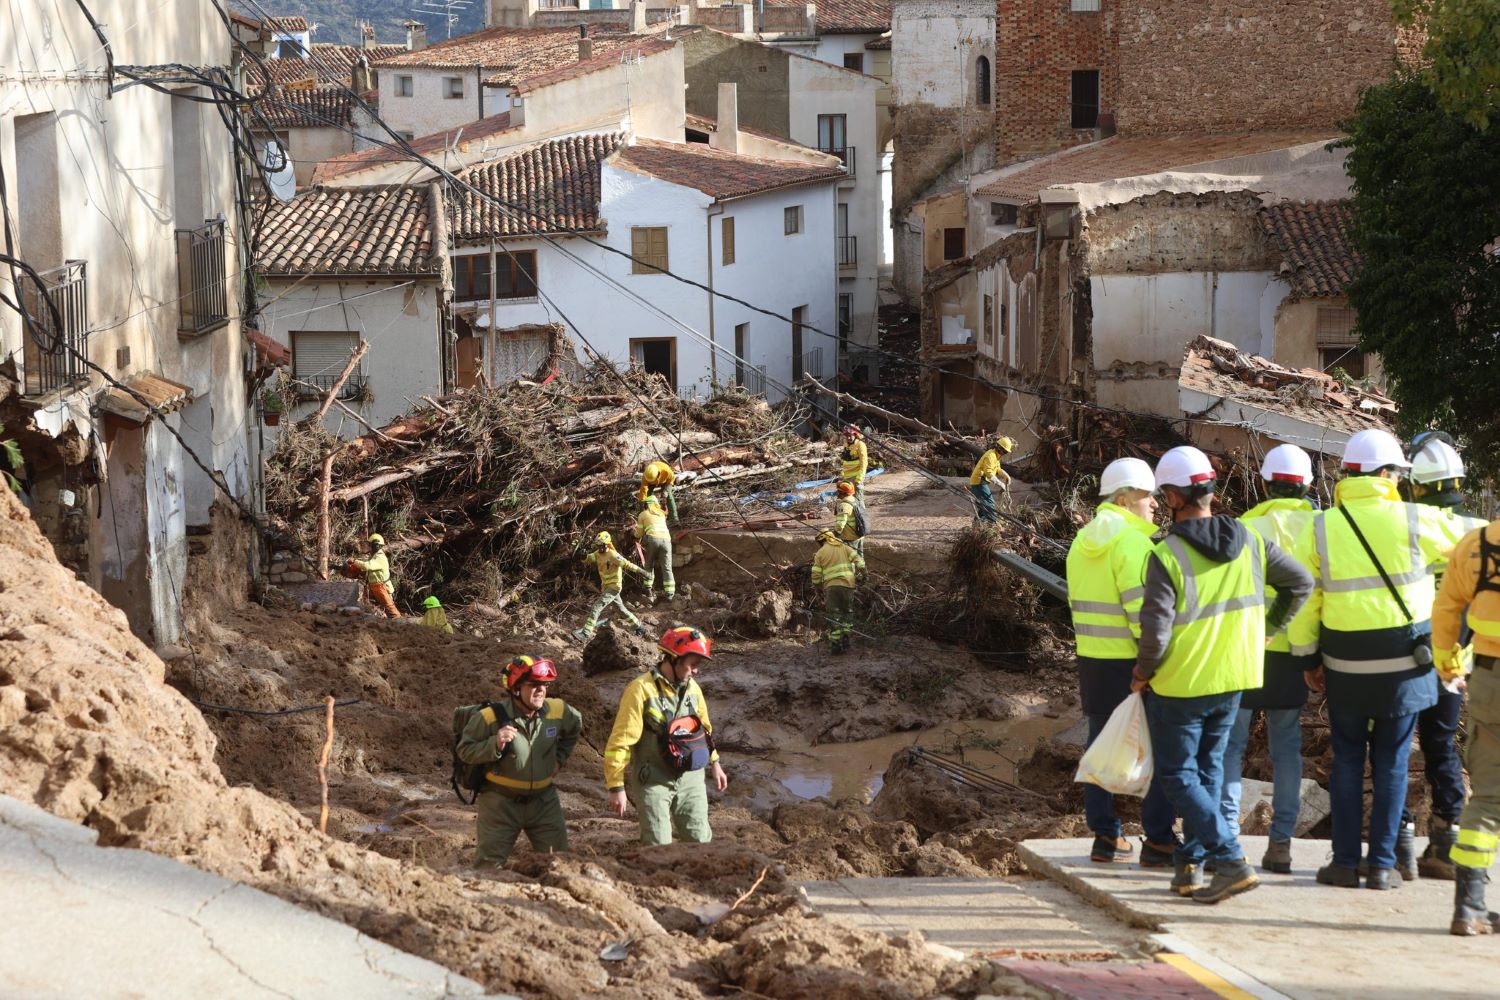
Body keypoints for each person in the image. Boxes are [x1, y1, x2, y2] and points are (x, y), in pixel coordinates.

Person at [1132, 446, 1312, 904]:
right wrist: (1267, 632)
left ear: (1172, 498)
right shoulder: (1249, 540)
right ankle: (1190, 867)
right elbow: (1300, 583)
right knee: (1208, 773)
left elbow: (1154, 632)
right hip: (1234, 676)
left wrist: (1141, 673)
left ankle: (1229, 859)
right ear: (1210, 490)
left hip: (1182, 682)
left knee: (1177, 776)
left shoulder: (1167, 554)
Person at [1289, 428, 1450, 890]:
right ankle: (1381, 866)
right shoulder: (1418, 521)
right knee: (1393, 762)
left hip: (1344, 665)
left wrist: (1308, 659)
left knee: (1345, 759)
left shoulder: (1321, 526)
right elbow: (1475, 545)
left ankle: (1343, 863)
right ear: (1385, 475)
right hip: (1403, 665)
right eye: (1398, 473)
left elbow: (1306, 602)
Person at [1064, 456, 1179, 866]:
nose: (1155, 504)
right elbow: (1142, 615)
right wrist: (1152, 666)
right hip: (1131, 665)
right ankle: (1161, 841)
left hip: (1093, 661)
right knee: (1161, 748)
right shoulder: (1133, 544)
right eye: (1148, 495)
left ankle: (1105, 836)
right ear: (1127, 498)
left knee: (1102, 747)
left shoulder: (1083, 540)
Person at [1220, 444, 1320, 875]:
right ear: (1309, 485)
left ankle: (1225, 840)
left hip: (1242, 651)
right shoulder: (1321, 527)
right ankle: (1280, 843)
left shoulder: (1243, 525)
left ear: (1264, 482)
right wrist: (1311, 658)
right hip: (1292, 657)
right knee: (1287, 751)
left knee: (1230, 749)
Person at [1402, 433, 1488, 879]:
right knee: (1440, 743)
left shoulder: (1407, 522)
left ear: (1416, 484)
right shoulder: (1476, 530)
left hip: (1403, 650)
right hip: (1458, 658)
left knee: (1390, 743)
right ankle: (1444, 839)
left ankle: (1394, 842)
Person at [1432, 517, 1500, 935]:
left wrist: (1448, 665)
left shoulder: (1476, 543)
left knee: (1489, 799)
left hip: (1490, 680)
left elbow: (1446, 609)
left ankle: (1469, 906)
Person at [603, 626, 728, 845]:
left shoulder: (693, 689)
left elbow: (704, 731)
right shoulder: (640, 690)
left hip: (692, 779)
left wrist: (715, 763)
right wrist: (616, 786)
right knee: (658, 846)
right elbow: (620, 742)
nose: (696, 671)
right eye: (693, 664)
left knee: (700, 842)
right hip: (653, 780)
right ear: (673, 658)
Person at [455, 655, 582, 867]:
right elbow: (465, 751)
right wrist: (494, 744)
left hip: (544, 804)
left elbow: (575, 726)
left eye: (545, 685)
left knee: (560, 864)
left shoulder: (558, 711)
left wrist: (560, 758)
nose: (541, 690)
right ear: (515, 688)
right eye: (533, 684)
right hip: (499, 805)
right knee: (488, 869)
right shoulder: (488, 717)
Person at [576, 530, 649, 640]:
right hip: (606, 587)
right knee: (621, 610)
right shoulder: (597, 554)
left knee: (596, 607)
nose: (599, 548)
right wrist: (583, 556)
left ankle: (585, 633)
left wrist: (642, 572)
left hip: (614, 587)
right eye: (598, 545)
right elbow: (588, 559)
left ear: (607, 544)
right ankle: (639, 627)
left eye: (601, 545)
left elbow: (628, 564)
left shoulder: (613, 555)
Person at [812, 528, 864, 654]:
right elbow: (858, 560)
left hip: (831, 588)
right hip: (848, 585)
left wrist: (817, 586)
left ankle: (836, 645)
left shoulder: (820, 553)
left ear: (821, 540)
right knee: (848, 612)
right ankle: (846, 639)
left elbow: (816, 575)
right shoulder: (844, 547)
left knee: (834, 616)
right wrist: (863, 574)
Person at [633, 495, 676, 605]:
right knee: (667, 567)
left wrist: (634, 533)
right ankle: (670, 594)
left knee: (649, 565)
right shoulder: (661, 513)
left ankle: (647, 588)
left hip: (652, 540)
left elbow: (638, 534)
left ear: (646, 504)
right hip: (666, 540)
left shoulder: (643, 514)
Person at [349, 533, 400, 618]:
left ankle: (399, 623)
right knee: (366, 603)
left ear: (375, 545)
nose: (368, 547)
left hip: (381, 586)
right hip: (374, 586)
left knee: (390, 609)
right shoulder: (374, 556)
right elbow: (367, 567)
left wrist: (355, 561)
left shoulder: (380, 557)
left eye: (370, 545)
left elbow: (367, 566)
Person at [969, 435, 1015, 526]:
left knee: (984, 503)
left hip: (982, 482)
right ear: (1000, 448)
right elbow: (989, 472)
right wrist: (999, 483)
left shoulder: (996, 456)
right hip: (978, 482)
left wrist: (1006, 476)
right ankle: (992, 523)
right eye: (1005, 451)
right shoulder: (990, 456)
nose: (1004, 453)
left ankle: (977, 523)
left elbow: (997, 469)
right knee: (990, 503)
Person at [833, 480, 866, 556]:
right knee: (859, 558)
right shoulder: (854, 499)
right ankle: (862, 568)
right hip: (859, 535)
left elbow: (840, 523)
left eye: (838, 491)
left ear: (842, 493)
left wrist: (835, 533)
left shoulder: (844, 505)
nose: (836, 493)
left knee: (850, 560)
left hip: (850, 537)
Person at [839, 425, 869, 503]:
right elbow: (844, 461)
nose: (848, 438)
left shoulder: (860, 444)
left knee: (858, 501)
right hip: (846, 477)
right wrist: (842, 475)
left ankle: (861, 515)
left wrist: (859, 478)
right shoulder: (846, 444)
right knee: (847, 500)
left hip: (856, 477)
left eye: (850, 436)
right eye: (847, 436)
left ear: (855, 435)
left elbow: (864, 462)